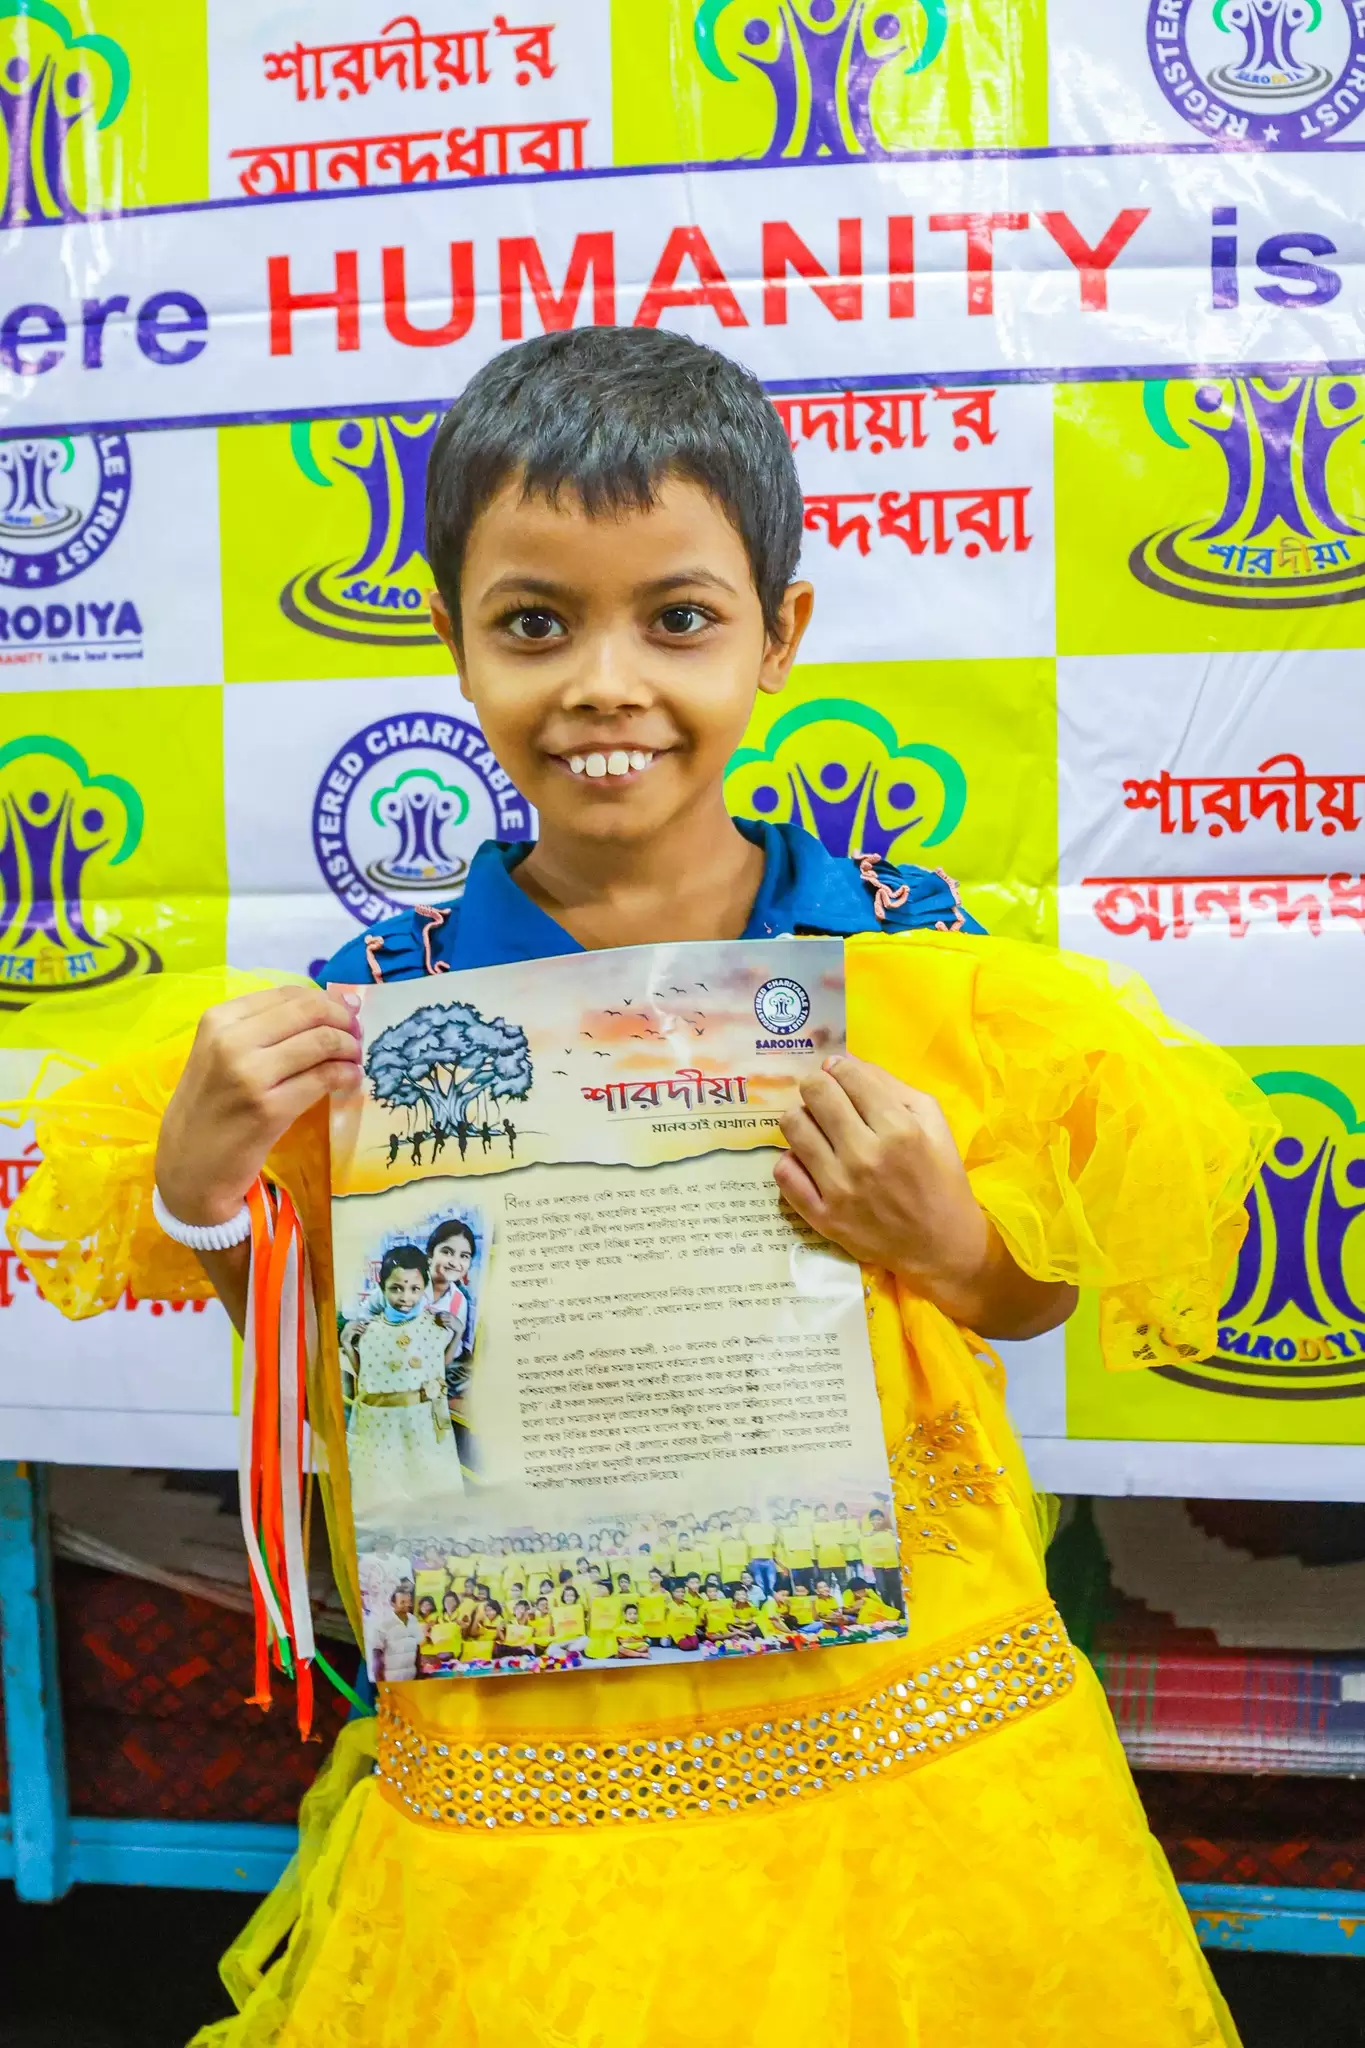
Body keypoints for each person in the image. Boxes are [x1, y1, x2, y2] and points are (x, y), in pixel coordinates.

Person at [67, 324, 1268, 2047]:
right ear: (452, 637)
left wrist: (949, 1240)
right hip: (541, 1749)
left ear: (782, 633)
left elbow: (1028, 1298)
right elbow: (339, 1348)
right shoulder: (381, 1009)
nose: (604, 683)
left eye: (679, 618)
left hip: (902, 1717)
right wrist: (204, 1201)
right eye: (535, 623)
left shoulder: (915, 964)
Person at [343, 1246, 464, 1522]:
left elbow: (439, 1367)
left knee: (427, 1495)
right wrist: (348, 1344)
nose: (405, 1297)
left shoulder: (435, 1326)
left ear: (424, 1287)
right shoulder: (370, 1330)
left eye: (414, 1289)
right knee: (386, 1493)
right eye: (396, 1288)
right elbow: (366, 1377)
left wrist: (457, 1332)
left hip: (423, 1423)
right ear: (382, 1287)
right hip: (384, 1426)